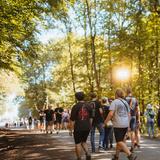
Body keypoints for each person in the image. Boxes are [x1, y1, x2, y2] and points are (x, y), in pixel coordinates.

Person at [105, 88, 137, 160]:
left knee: (119, 142)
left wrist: (105, 122)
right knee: (120, 141)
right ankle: (116, 156)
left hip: (118, 124)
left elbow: (110, 114)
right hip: (125, 124)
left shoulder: (115, 102)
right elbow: (129, 115)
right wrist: (128, 125)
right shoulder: (125, 102)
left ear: (116, 94)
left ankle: (130, 155)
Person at [70, 91, 92, 160]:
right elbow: (91, 118)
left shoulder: (75, 106)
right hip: (87, 127)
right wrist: (90, 126)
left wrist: (71, 129)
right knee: (84, 141)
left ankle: (79, 158)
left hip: (78, 127)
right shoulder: (89, 105)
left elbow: (72, 120)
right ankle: (88, 153)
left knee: (78, 143)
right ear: (84, 97)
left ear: (76, 98)